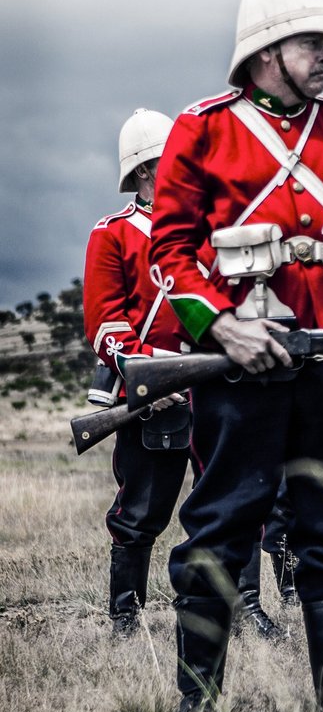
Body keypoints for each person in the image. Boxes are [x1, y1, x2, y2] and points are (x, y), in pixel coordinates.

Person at [151, 0, 323, 712]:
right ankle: (198, 705)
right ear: (267, 52)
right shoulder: (201, 129)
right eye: (311, 41)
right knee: (223, 525)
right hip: (240, 372)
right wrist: (222, 325)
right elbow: (171, 250)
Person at [83, 109, 194, 639]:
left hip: (213, 387)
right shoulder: (112, 235)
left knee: (230, 498)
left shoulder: (204, 230)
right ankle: (126, 617)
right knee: (141, 511)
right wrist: (155, 376)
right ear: (146, 171)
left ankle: (240, 605)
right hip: (154, 393)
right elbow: (106, 324)